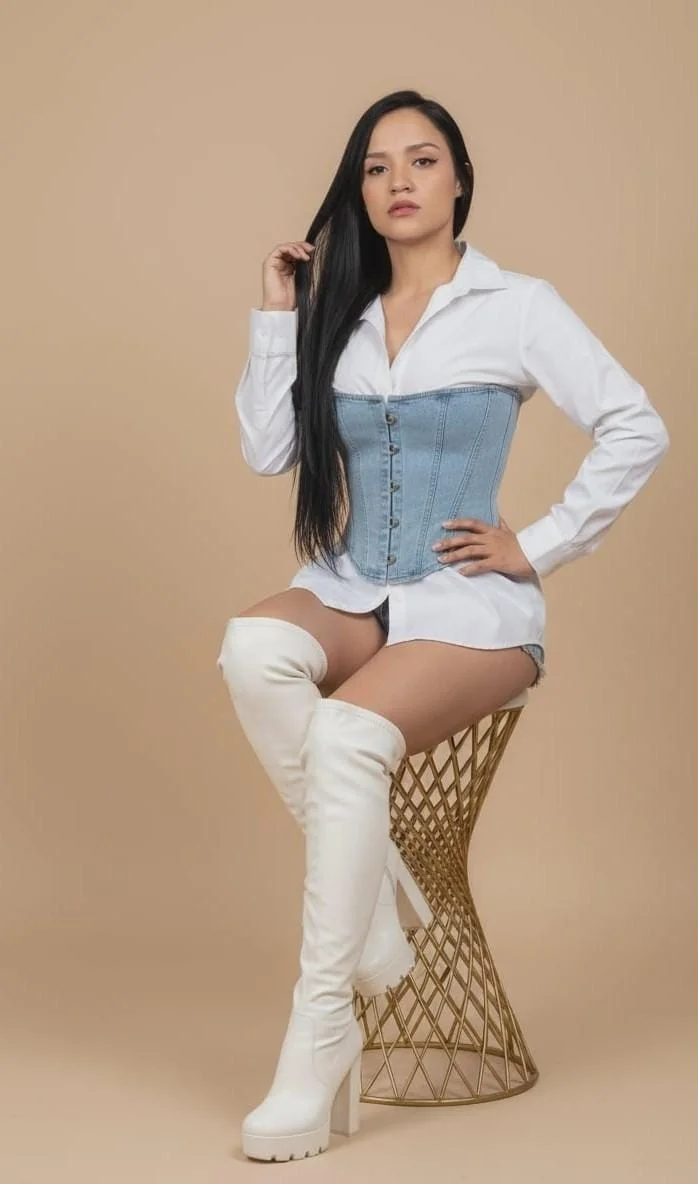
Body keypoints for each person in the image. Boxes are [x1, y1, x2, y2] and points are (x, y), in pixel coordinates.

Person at [217, 89, 670, 1162]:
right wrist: (278, 312)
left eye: (421, 161)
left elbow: (634, 424)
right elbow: (267, 451)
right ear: (359, 191)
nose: (399, 183)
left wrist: (538, 541)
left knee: (343, 736)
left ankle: (319, 1031)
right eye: (376, 167)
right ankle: (379, 901)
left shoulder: (515, 305)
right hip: (354, 586)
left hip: (469, 606)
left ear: (459, 178)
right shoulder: (339, 310)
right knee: (250, 647)